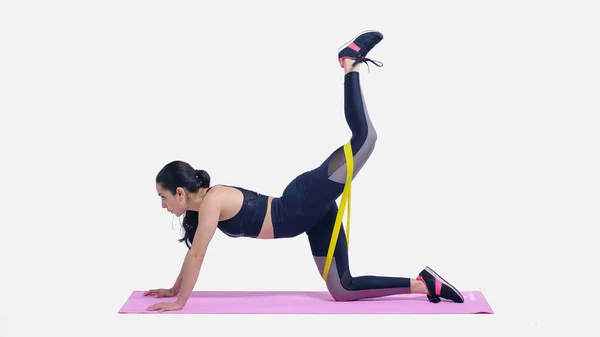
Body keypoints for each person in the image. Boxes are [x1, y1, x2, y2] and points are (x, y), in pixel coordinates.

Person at [144, 30, 464, 312]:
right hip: (311, 216)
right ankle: (425, 284)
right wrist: (173, 289)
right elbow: (193, 253)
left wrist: (179, 302)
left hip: (303, 200)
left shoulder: (212, 201)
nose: (163, 204)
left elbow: (198, 255)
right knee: (342, 289)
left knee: (365, 139)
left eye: (163, 196)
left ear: (181, 192)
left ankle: (350, 63)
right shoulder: (202, 212)